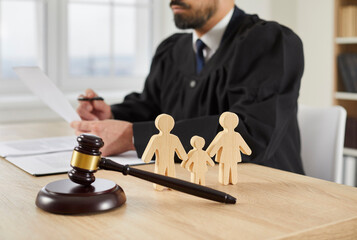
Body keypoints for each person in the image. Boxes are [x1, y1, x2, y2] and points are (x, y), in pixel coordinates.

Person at [71, 0, 305, 174]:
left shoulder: (270, 42)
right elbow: (152, 107)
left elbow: (251, 133)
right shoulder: (171, 49)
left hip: (264, 191)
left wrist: (131, 137)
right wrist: (111, 114)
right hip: (189, 182)